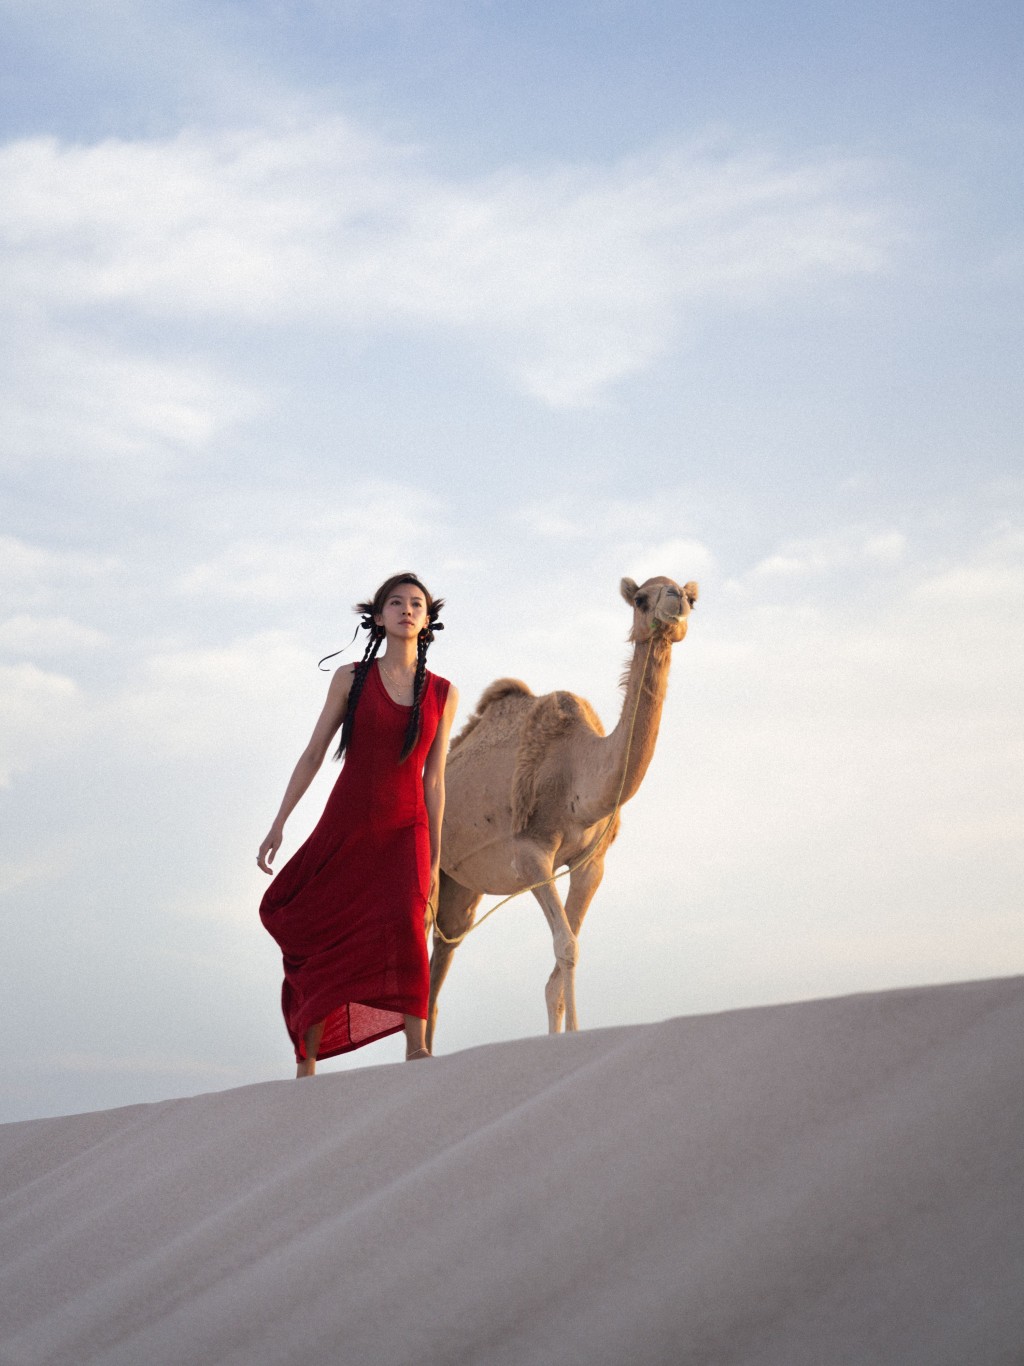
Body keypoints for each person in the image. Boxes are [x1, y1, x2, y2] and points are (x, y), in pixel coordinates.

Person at [257, 573, 458, 1075]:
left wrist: (434, 858)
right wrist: (280, 820)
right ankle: (307, 1062)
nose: (406, 610)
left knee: (411, 929)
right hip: (346, 824)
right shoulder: (351, 679)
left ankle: (417, 1048)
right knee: (327, 938)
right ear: (378, 615)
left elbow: (435, 781)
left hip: (406, 829)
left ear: (428, 620)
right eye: (396, 602)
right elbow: (313, 752)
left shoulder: (443, 693)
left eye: (416, 604)